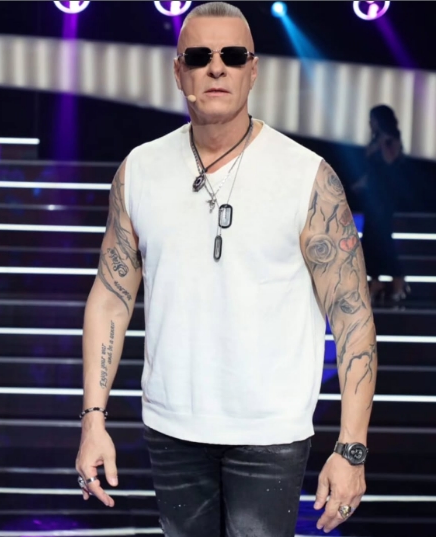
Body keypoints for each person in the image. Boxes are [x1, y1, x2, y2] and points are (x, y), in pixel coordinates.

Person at [75, 3, 377, 536]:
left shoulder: (307, 177)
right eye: (199, 56)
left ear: (253, 70)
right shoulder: (140, 170)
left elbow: (352, 316)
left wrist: (351, 448)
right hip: (171, 427)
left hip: (271, 432)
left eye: (233, 55)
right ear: (179, 72)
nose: (216, 67)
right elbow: (110, 298)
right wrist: (93, 418)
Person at [353, 105, 409, 303]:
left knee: (383, 238)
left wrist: (382, 144)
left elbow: (390, 161)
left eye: (373, 119)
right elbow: (371, 170)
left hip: (385, 197)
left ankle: (397, 279)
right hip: (373, 195)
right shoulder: (375, 141)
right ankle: (376, 280)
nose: (370, 123)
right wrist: (360, 185)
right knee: (370, 239)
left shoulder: (391, 140)